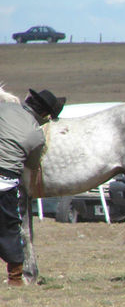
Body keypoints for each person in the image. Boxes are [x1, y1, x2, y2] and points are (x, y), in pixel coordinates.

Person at [0, 88, 66, 286]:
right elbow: (31, 167)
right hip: (5, 182)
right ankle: (15, 278)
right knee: (10, 229)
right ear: (45, 116)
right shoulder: (36, 136)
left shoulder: (4, 109)